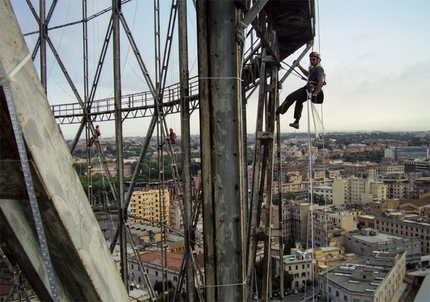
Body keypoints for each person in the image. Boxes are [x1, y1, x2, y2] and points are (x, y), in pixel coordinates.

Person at [276, 51, 325, 129]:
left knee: (290, 97)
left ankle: (277, 113)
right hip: (309, 89)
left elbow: (321, 81)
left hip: (309, 90)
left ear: (318, 60)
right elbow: (307, 74)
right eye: (311, 59)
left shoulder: (318, 68)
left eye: (313, 59)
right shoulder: (314, 68)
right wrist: (299, 66)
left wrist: (316, 92)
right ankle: (296, 122)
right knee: (299, 101)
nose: (311, 61)